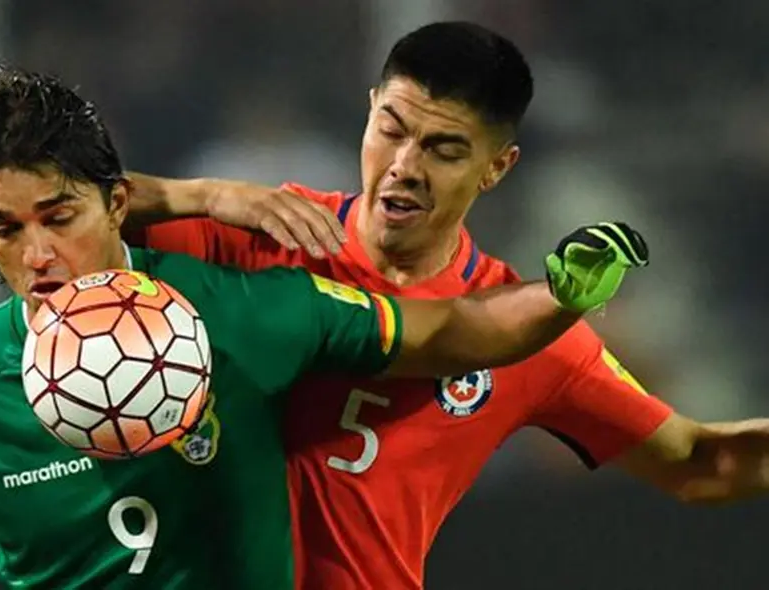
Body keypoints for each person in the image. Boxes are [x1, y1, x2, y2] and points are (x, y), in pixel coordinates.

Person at [0, 47, 647, 590]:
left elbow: (452, 335)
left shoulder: (238, 312)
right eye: (5, 228)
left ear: (118, 205)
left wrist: (560, 296)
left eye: (58, 216)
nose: (36, 252)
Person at [127, 21, 769, 590]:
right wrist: (205, 195)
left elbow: (703, 465)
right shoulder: (263, 231)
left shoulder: (524, 326)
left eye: (444, 149)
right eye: (392, 130)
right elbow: (58, 206)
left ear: (496, 167)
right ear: (370, 111)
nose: (405, 165)